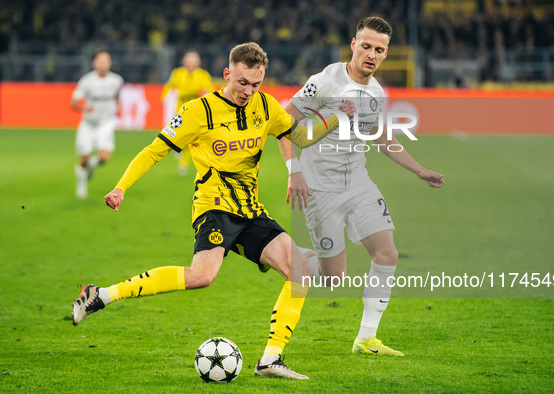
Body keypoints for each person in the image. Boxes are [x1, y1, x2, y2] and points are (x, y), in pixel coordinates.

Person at [71, 42, 354, 379]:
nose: (248, 91)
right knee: (202, 276)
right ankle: (100, 295)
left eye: (256, 84)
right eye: (242, 83)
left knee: (299, 272)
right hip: (214, 207)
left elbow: (300, 136)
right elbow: (154, 150)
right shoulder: (198, 111)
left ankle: (270, 360)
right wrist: (121, 186)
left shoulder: (264, 105)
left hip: (250, 210)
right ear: (227, 74)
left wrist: (335, 117)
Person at [279, 16, 445, 356]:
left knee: (387, 253)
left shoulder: (376, 92)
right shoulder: (326, 79)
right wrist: (293, 170)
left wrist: (419, 170)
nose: (371, 54)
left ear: (386, 54)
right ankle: (287, 257)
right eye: (366, 46)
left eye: (379, 50)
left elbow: (382, 137)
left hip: (358, 184)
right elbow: (284, 121)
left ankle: (366, 338)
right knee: (332, 278)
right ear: (353, 45)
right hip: (319, 191)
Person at [71, 50, 124, 198]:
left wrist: (118, 106)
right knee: (84, 159)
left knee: (104, 158)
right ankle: (81, 184)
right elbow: (73, 102)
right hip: (88, 124)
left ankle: (91, 167)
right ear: (94, 63)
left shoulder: (116, 80)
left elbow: (116, 94)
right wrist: (84, 107)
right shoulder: (86, 81)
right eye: (100, 60)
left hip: (105, 123)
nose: (103, 63)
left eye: (106, 60)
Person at [161, 50, 214, 175]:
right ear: (184, 61)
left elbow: (210, 91)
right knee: (176, 136)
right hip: (179, 111)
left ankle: (183, 164)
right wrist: (163, 98)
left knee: (192, 138)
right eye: (189, 59)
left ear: (198, 62)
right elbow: (169, 86)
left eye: (194, 60)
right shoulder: (177, 73)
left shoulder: (203, 75)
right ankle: (179, 147)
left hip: (195, 112)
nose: (191, 62)